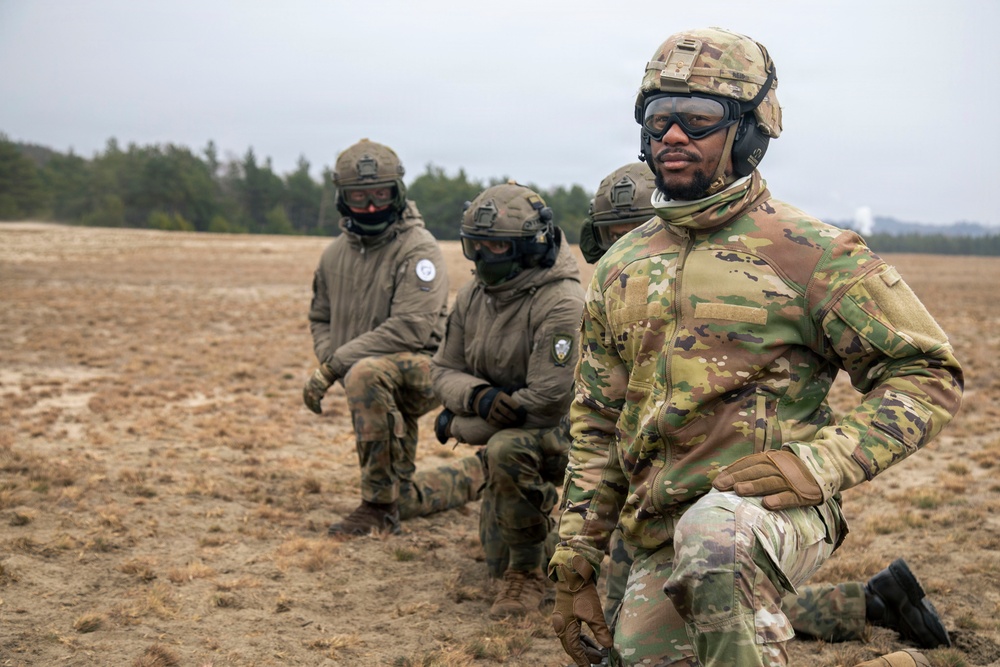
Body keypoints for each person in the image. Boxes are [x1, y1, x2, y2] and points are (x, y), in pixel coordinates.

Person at [548, 27, 963, 667]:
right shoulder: (620, 266)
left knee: (717, 543)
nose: (673, 138)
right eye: (658, 121)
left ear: (748, 134)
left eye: (698, 119)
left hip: (769, 513)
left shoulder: (813, 254)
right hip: (662, 528)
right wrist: (574, 563)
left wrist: (822, 464)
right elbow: (598, 422)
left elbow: (926, 372)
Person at [304, 138, 477, 537]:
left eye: (379, 195)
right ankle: (480, 472)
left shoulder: (419, 250)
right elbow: (320, 316)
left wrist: (335, 366)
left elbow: (411, 328)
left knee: (367, 374)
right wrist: (334, 359)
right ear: (342, 198)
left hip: (428, 369)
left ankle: (377, 507)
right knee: (406, 497)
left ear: (397, 192)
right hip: (368, 372)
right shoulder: (333, 256)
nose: (369, 207)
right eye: (359, 196)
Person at [432, 181, 585, 619]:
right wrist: (478, 397)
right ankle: (538, 545)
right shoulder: (473, 296)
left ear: (530, 247)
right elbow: (442, 370)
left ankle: (529, 573)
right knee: (492, 562)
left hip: (571, 437)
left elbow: (543, 403)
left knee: (505, 448)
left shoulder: (562, 302)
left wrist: (456, 425)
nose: (482, 257)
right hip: (510, 425)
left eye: (496, 245)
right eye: (474, 245)